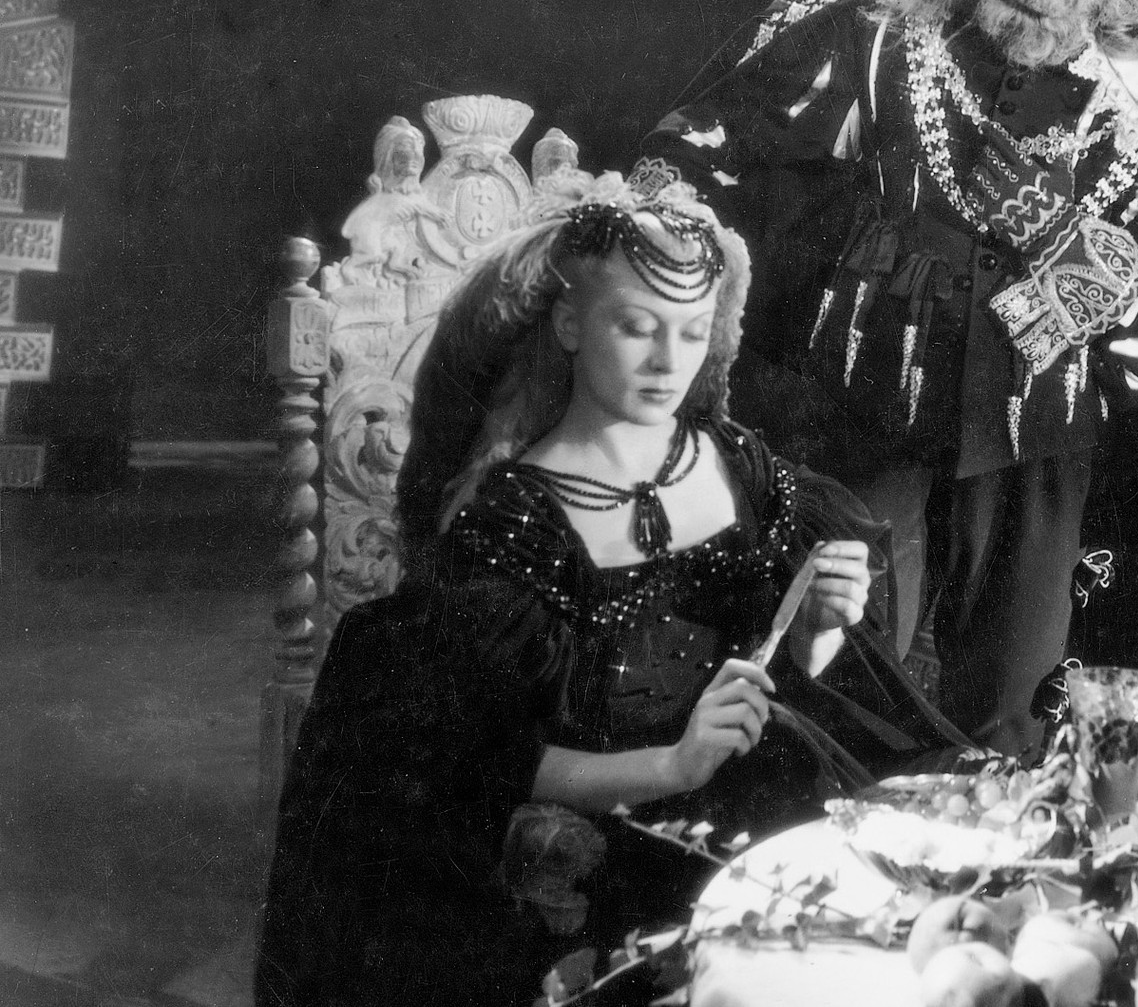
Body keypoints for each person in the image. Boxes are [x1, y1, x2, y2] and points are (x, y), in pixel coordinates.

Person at [629, 0, 1138, 755]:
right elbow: (688, 159)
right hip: (857, 428)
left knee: (1010, 724)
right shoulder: (868, 31)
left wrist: (1067, 240)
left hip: (1040, 450)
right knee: (827, 692)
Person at [257, 181, 968, 1007]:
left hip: (775, 780)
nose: (670, 362)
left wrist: (814, 627)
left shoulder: (738, 463)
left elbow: (800, 674)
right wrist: (675, 763)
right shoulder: (515, 518)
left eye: (692, 332)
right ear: (569, 326)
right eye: (637, 328)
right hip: (624, 830)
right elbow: (487, 766)